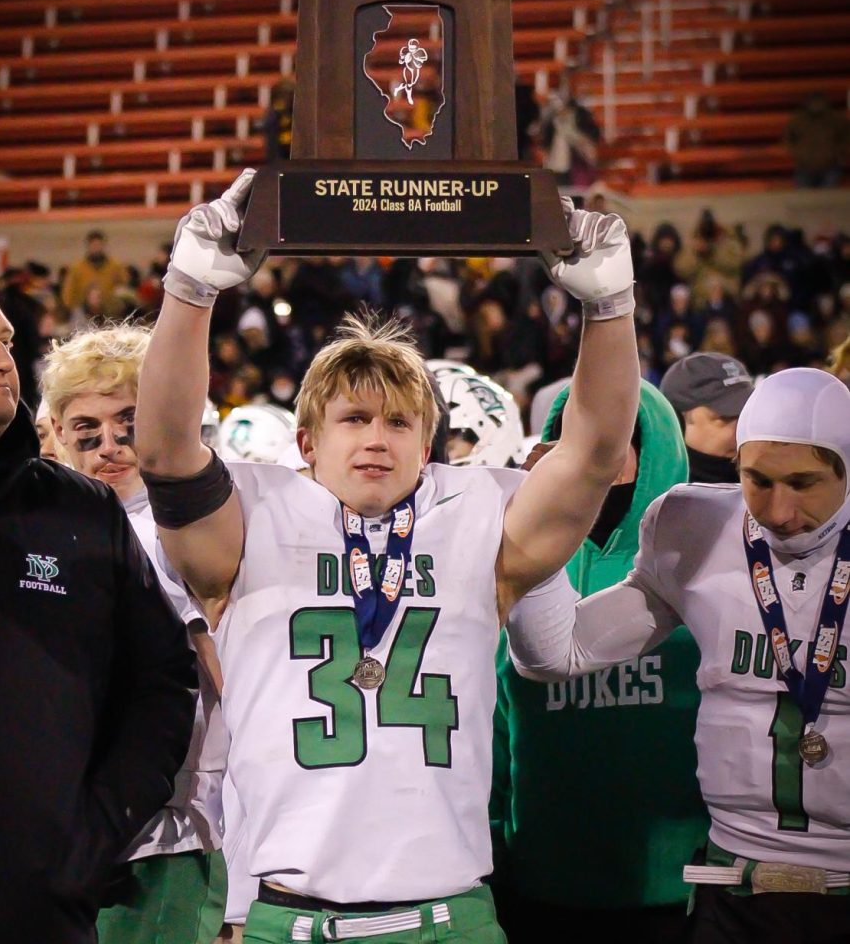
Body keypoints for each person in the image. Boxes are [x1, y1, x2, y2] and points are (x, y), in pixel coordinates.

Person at [135, 169, 639, 941]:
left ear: (428, 442)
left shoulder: (476, 513)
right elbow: (167, 452)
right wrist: (190, 291)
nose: (377, 437)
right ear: (307, 440)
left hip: (450, 916)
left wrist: (610, 308)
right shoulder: (254, 516)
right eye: (354, 418)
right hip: (288, 919)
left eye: (401, 422)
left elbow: (596, 452)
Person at [506, 367, 850, 944]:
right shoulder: (695, 526)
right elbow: (555, 654)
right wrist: (540, 521)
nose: (779, 509)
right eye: (757, 480)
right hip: (731, 888)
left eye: (804, 482)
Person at [0, 273, 197, 944]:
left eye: (5, 341)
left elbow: (160, 685)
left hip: (39, 915)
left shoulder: (80, 510)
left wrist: (88, 842)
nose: (0, 360)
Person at [491, 379, 706, 944]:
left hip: (679, 889)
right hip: (543, 886)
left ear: (652, 447)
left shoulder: (704, 564)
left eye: (608, 443)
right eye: (572, 442)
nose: (590, 459)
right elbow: (490, 723)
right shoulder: (517, 561)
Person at [41, 324, 228, 944]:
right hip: (66, 831)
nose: (110, 445)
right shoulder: (48, 528)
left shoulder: (186, 525)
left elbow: (225, 677)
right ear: (58, 437)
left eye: (129, 421)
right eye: (86, 430)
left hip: (172, 834)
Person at [661, 352, 754, 484]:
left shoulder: (772, 481)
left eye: (748, 415)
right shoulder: (656, 496)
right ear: (676, 423)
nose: (742, 430)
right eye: (725, 418)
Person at [783, 92, 849, 189]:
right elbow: (787, 139)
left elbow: (846, 138)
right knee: (803, 200)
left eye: (819, 102)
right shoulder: (797, 121)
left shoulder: (836, 120)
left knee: (829, 200)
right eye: (814, 102)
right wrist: (798, 153)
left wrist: (838, 152)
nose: (816, 104)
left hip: (830, 166)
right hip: (804, 167)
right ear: (807, 103)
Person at [60, 230, 131, 320]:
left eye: (99, 245)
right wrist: (75, 309)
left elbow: (125, 288)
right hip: (84, 314)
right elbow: (68, 294)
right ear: (88, 246)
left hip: (110, 313)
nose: (96, 248)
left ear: (103, 245)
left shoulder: (115, 267)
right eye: (94, 245)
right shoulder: (77, 268)